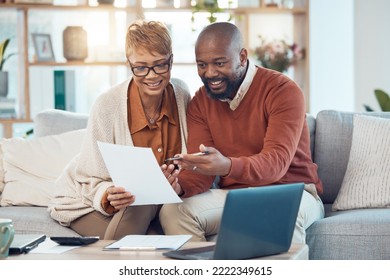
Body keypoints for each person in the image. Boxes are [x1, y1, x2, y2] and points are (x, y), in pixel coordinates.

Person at [160, 22, 325, 244]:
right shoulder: (200, 102)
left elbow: (276, 163)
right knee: (173, 210)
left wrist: (227, 166)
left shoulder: (283, 91)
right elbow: (201, 169)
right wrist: (179, 186)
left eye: (219, 63)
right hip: (237, 195)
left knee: (279, 213)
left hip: (292, 191)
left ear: (242, 57)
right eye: (202, 65)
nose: (210, 73)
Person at [48, 20, 191, 240]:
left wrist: (179, 184)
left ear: (171, 60)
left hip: (152, 206)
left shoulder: (182, 95)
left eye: (160, 65)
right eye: (141, 67)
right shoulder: (107, 105)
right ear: (129, 63)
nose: (151, 76)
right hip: (88, 203)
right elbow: (88, 177)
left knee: (148, 209)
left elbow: (190, 165)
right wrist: (107, 194)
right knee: (141, 206)